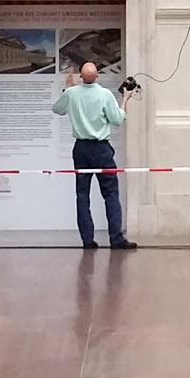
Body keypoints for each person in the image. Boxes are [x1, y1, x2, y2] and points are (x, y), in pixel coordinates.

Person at [51, 62, 137, 250]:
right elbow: (117, 119)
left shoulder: (72, 93)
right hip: (101, 149)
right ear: (97, 76)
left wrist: (68, 90)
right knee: (111, 193)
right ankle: (116, 238)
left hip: (81, 148)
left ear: (81, 77)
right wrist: (125, 99)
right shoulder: (105, 94)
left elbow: (56, 109)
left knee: (82, 194)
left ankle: (87, 240)